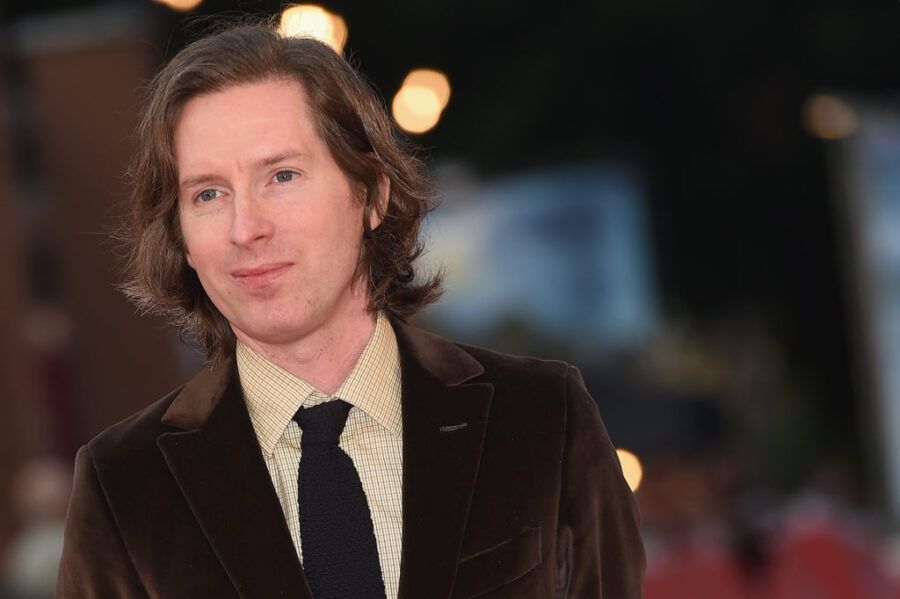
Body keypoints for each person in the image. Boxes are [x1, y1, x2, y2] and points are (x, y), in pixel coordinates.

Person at [55, 21, 645, 599]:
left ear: (371, 195)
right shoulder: (124, 486)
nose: (245, 228)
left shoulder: (542, 418)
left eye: (281, 176)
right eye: (208, 194)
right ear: (180, 235)